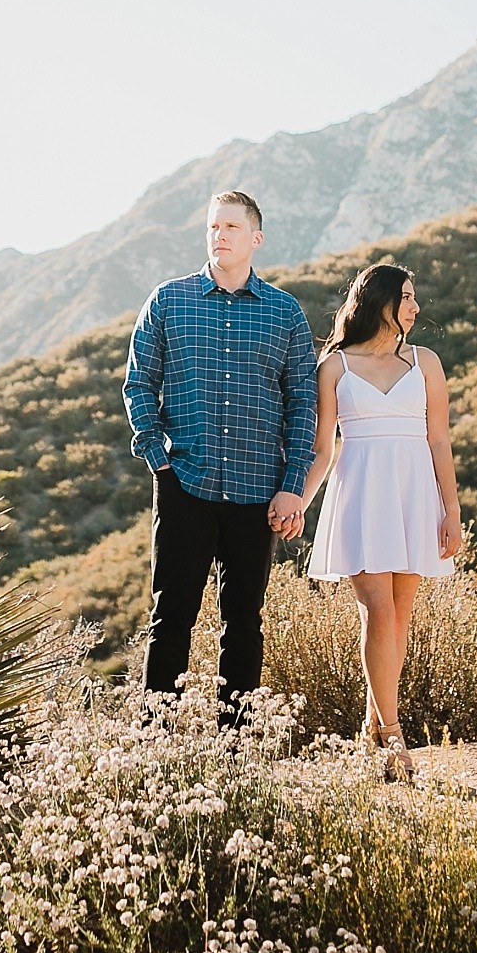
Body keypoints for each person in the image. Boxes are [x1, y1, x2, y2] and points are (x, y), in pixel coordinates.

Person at [122, 188, 319, 715]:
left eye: (231, 227)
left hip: (258, 489)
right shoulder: (169, 300)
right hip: (185, 480)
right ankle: (154, 744)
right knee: (172, 616)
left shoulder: (286, 313)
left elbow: (303, 403)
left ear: (256, 238)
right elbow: (139, 383)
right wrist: (157, 457)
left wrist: (292, 483)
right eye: (213, 226)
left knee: (244, 621)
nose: (219, 235)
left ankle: (235, 749)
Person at [303, 261, 464, 775]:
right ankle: (393, 736)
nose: (417, 307)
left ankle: (372, 725)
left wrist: (452, 511)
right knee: (376, 610)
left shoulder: (427, 362)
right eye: (408, 297)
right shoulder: (334, 366)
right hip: (361, 493)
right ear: (381, 300)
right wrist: (298, 502)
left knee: (399, 616)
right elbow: (323, 448)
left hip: (414, 493)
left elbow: (439, 439)